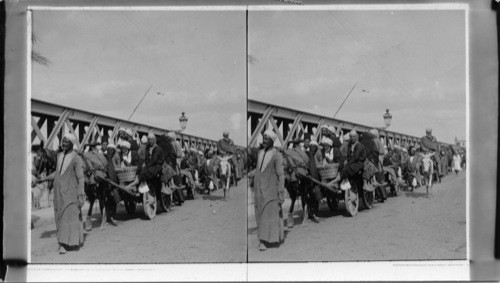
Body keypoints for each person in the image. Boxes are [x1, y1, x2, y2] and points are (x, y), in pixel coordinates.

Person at [37, 133, 85, 254]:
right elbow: (57, 173)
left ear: (72, 144)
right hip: (58, 193)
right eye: (62, 141)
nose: (63, 144)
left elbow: (81, 177)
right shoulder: (59, 156)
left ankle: (65, 244)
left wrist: (81, 194)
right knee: (59, 217)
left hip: (71, 193)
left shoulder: (77, 158)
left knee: (68, 218)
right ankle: (65, 243)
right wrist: (44, 178)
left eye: (66, 142)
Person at [253, 130, 285, 251]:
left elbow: (281, 175)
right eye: (263, 138)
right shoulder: (260, 152)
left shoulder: (277, 155)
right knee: (259, 214)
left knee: (268, 214)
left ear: (272, 140)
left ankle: (264, 241)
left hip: (271, 190)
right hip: (258, 189)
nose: (264, 141)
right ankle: (264, 239)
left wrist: (281, 192)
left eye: (266, 139)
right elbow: (258, 169)